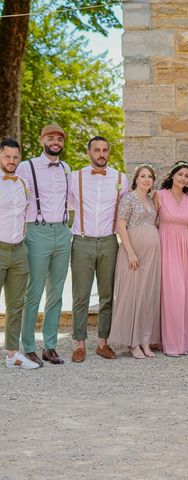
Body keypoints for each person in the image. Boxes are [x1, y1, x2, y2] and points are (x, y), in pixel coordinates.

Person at [17, 124, 72, 366]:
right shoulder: (26, 167)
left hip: (62, 231)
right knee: (35, 291)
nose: (55, 141)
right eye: (51, 138)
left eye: (59, 138)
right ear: (42, 140)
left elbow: (70, 202)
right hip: (37, 231)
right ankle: (28, 346)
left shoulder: (67, 168)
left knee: (57, 293)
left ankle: (50, 346)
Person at [69, 136, 128, 363]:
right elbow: (67, 203)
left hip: (109, 241)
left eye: (105, 150)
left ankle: (103, 343)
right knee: (80, 295)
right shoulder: (76, 177)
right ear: (89, 153)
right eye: (96, 150)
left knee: (107, 295)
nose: (101, 154)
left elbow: (125, 211)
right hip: (82, 241)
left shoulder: (121, 178)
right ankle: (80, 344)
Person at [108, 165, 161, 359]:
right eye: (143, 176)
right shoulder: (128, 198)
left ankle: (145, 340)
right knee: (134, 296)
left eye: (150, 177)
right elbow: (121, 226)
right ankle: (133, 342)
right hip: (134, 254)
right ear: (136, 179)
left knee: (147, 296)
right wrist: (130, 253)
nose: (146, 179)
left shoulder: (149, 200)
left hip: (152, 256)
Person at [0, 139, 39, 369]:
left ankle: (12, 354)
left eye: (15, 157)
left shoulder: (23, 183)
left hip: (19, 250)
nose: (12, 161)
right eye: (7, 157)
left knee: (16, 306)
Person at [154, 161, 188, 357]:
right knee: (172, 293)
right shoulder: (159, 195)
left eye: (186, 176)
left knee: (185, 292)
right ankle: (170, 343)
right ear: (172, 175)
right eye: (180, 174)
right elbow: (152, 220)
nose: (183, 178)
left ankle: (184, 342)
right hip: (166, 244)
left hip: (185, 246)